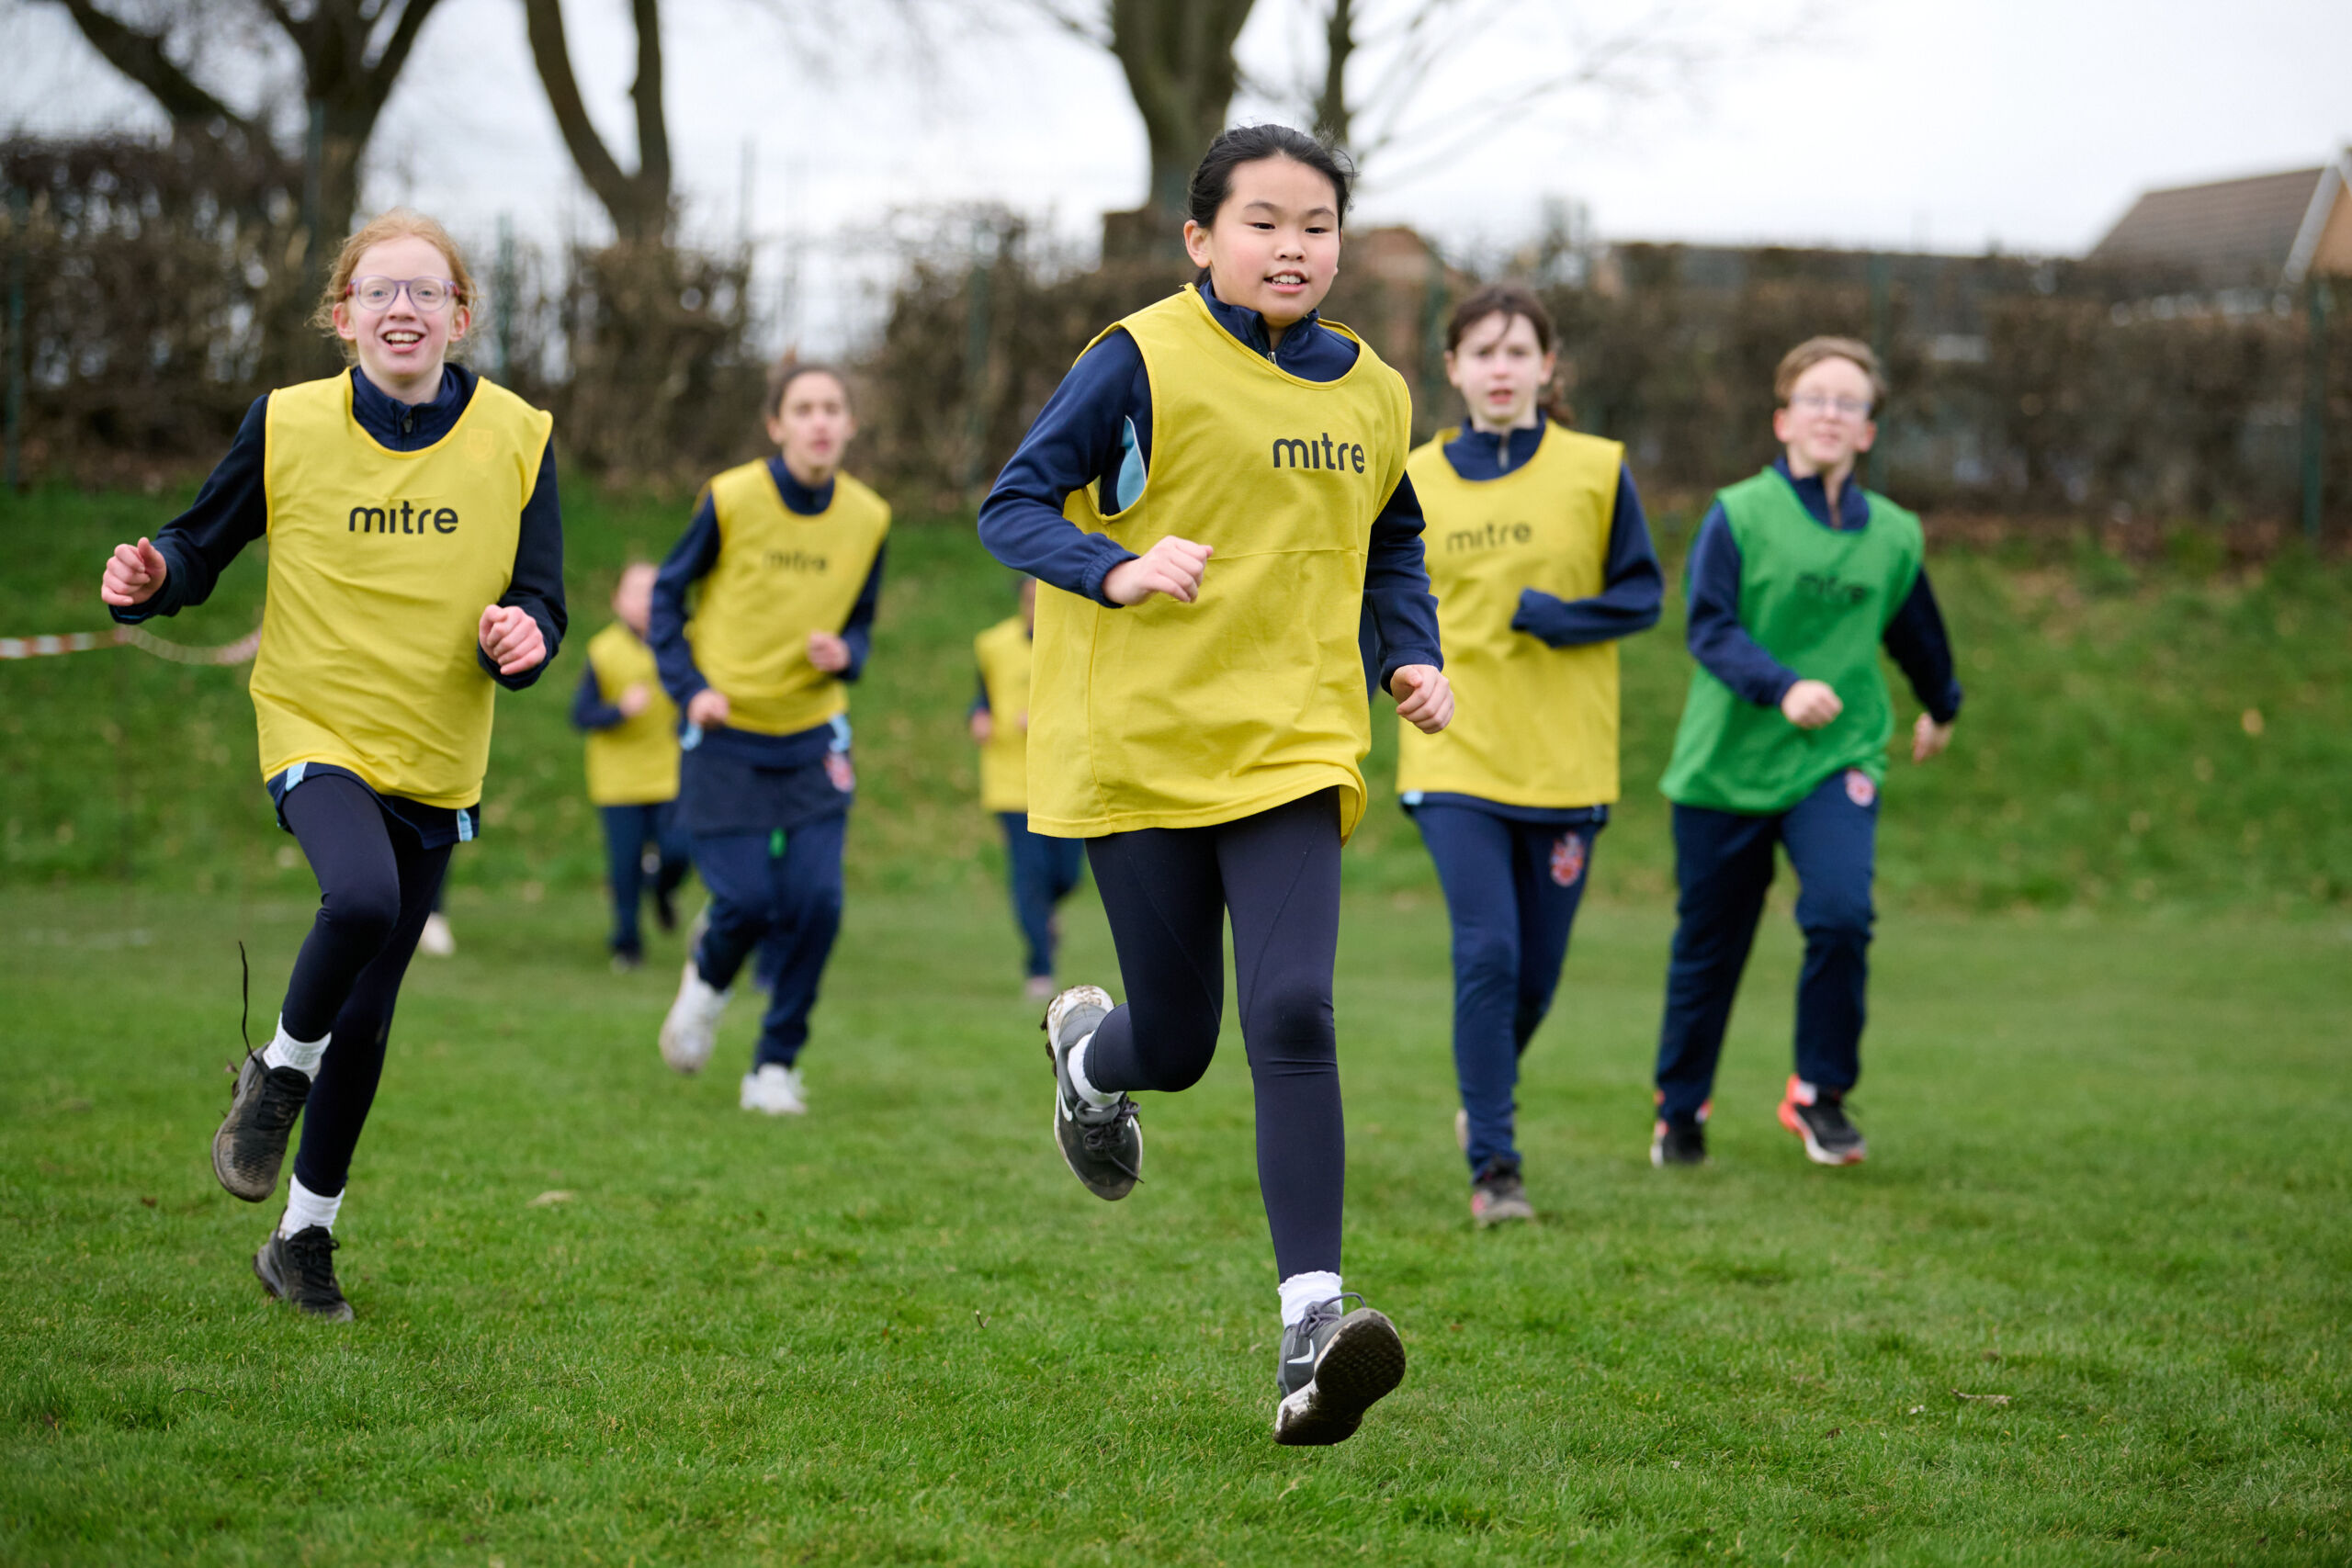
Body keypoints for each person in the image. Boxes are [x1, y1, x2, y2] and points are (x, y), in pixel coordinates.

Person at [978, 124, 1453, 1447]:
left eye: (1316, 224)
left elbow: (1392, 537)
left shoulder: (1375, 391)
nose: (1292, 245)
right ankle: (1091, 1055)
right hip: (1138, 745)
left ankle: (1313, 1317)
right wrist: (1114, 567)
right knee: (1177, 1042)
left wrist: (1407, 651)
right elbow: (1011, 505)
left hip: (1296, 740)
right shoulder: (1136, 358)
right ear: (1201, 240)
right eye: (1263, 222)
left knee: (1294, 1004)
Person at [98, 209, 564, 1319]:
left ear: (459, 316)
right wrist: (153, 571)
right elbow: (203, 544)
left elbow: (541, 595)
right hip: (316, 723)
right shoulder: (288, 423)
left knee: (371, 1015)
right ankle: (277, 1075)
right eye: (378, 292)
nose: (401, 309)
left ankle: (303, 1240)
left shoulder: (517, 435)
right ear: (343, 316)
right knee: (358, 897)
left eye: (425, 292)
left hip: (440, 752)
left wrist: (526, 637)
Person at [1650, 336, 1962, 1168]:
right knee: (1710, 945)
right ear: (1784, 419)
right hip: (1727, 765)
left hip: (1838, 754)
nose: (1831, 412)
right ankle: (1679, 1108)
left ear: (1866, 431)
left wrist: (1942, 705)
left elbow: (1914, 627)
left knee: (1840, 913)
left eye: (1849, 402)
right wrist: (1781, 684)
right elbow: (1708, 626)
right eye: (1815, 398)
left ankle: (1819, 1095)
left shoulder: (1893, 534)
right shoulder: (1739, 514)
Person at [1396, 283, 1662, 1226]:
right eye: (1482, 352)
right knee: (1488, 953)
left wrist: (1564, 617)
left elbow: (1643, 597)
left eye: (1518, 352)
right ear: (1454, 368)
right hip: (1451, 753)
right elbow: (1380, 597)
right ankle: (1495, 1167)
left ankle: (1484, 1095)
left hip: (1565, 764)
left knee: (1534, 979)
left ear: (1548, 367)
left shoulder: (1598, 470)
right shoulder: (1413, 477)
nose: (1500, 369)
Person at [648, 361, 888, 1118]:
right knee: (747, 899)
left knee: (816, 902)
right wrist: (693, 691)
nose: (820, 422)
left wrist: (847, 652)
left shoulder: (870, 516)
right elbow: (665, 595)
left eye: (833, 409)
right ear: (776, 424)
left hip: (816, 734)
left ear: (850, 425)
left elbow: (863, 623)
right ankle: (708, 984)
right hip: (726, 734)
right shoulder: (730, 499)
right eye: (804, 408)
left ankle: (775, 1066)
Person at [970, 577, 1087, 1001]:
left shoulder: (1075, 641)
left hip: (1062, 776)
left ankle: (1046, 916)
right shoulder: (993, 645)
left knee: (1066, 874)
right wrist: (979, 717)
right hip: (1010, 781)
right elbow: (981, 697)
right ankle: (1040, 969)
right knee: (1030, 876)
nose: (1036, 605)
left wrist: (1042, 719)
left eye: (1045, 598)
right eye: (1030, 598)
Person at [572, 561, 691, 971]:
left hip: (670, 774)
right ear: (616, 601)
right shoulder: (603, 651)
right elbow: (580, 714)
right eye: (635, 592)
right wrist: (618, 711)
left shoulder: (683, 643)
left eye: (652, 591)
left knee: (680, 849)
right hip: (618, 779)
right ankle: (627, 945)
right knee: (624, 866)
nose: (644, 601)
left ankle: (662, 890)